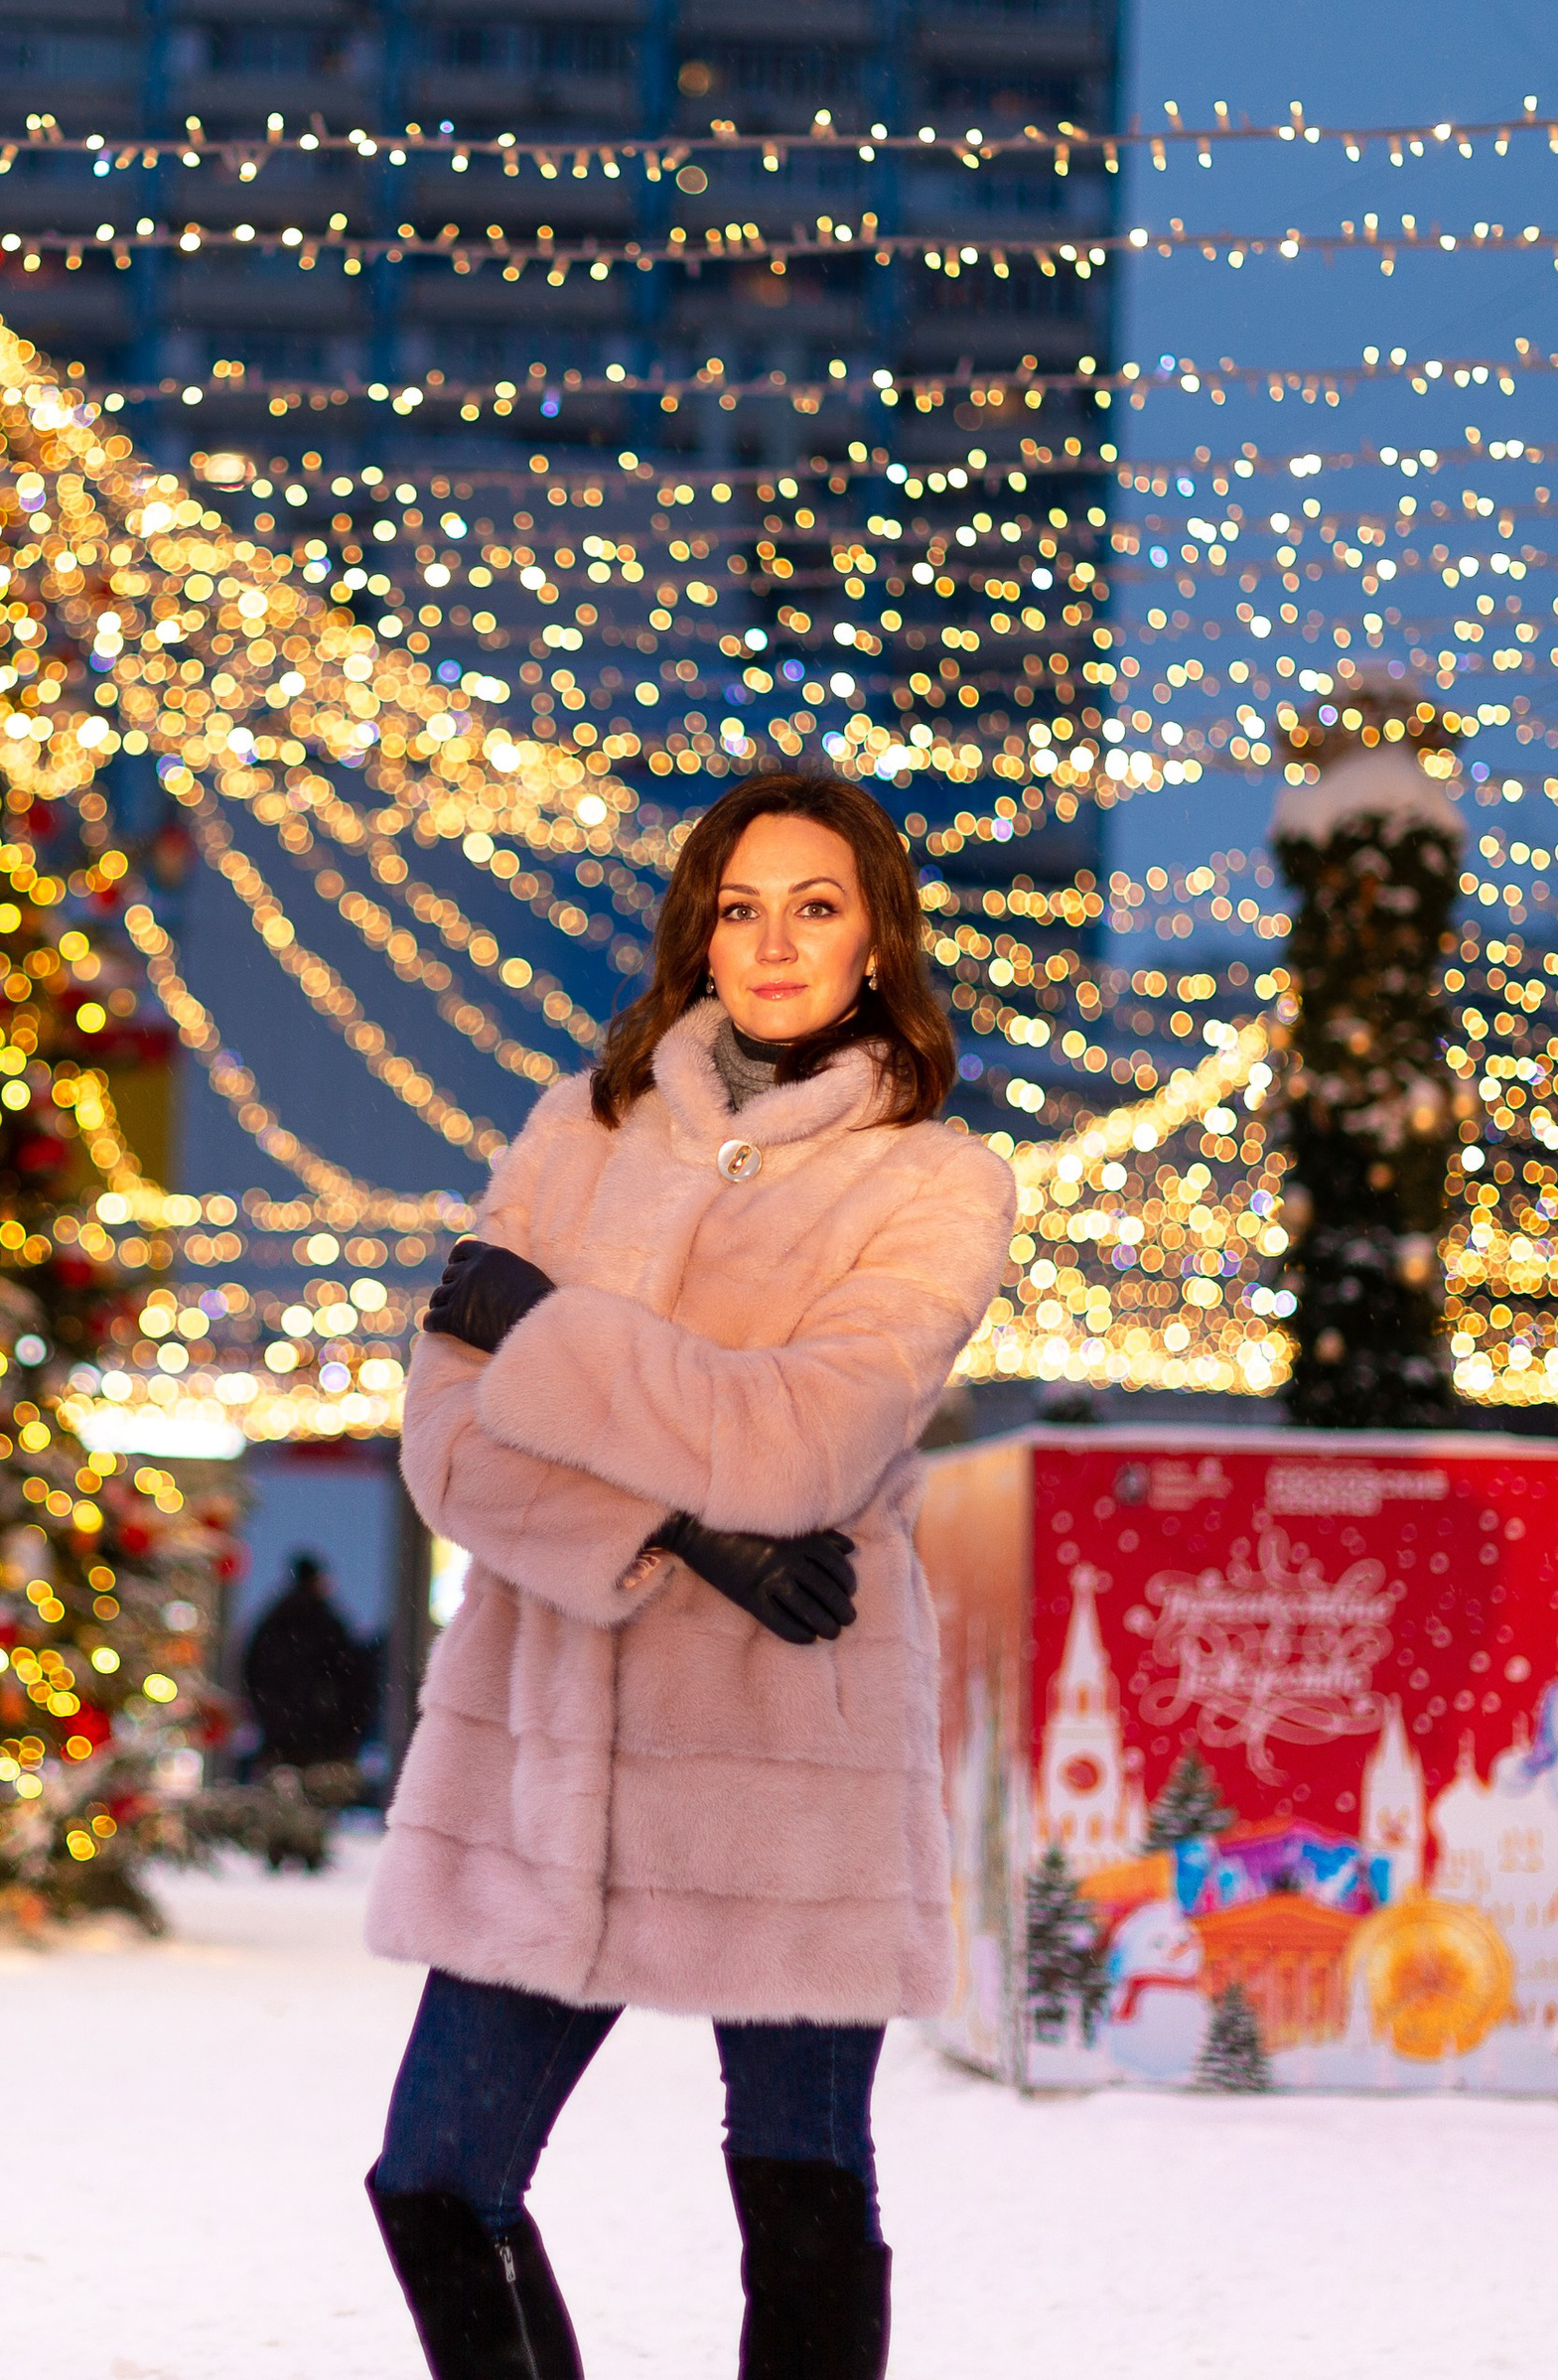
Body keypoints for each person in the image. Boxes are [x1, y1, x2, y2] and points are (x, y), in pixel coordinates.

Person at [363, 773, 1018, 2380]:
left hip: (787, 1756)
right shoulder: (576, 1134)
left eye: (816, 907)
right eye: (741, 908)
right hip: (550, 1756)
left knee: (799, 2195)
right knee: (432, 2178)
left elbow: (805, 1443)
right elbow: (448, 1447)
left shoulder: (933, 1182)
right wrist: (680, 1539)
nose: (775, 942)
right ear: (698, 937)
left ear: (876, 942)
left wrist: (542, 1329)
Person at [242, 1552, 375, 1776]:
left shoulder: (273, 1623)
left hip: (280, 1740)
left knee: (280, 1789)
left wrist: (270, 1720)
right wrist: (348, 1729)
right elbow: (353, 1677)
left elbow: (253, 1675)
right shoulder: (327, 1623)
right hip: (323, 1740)